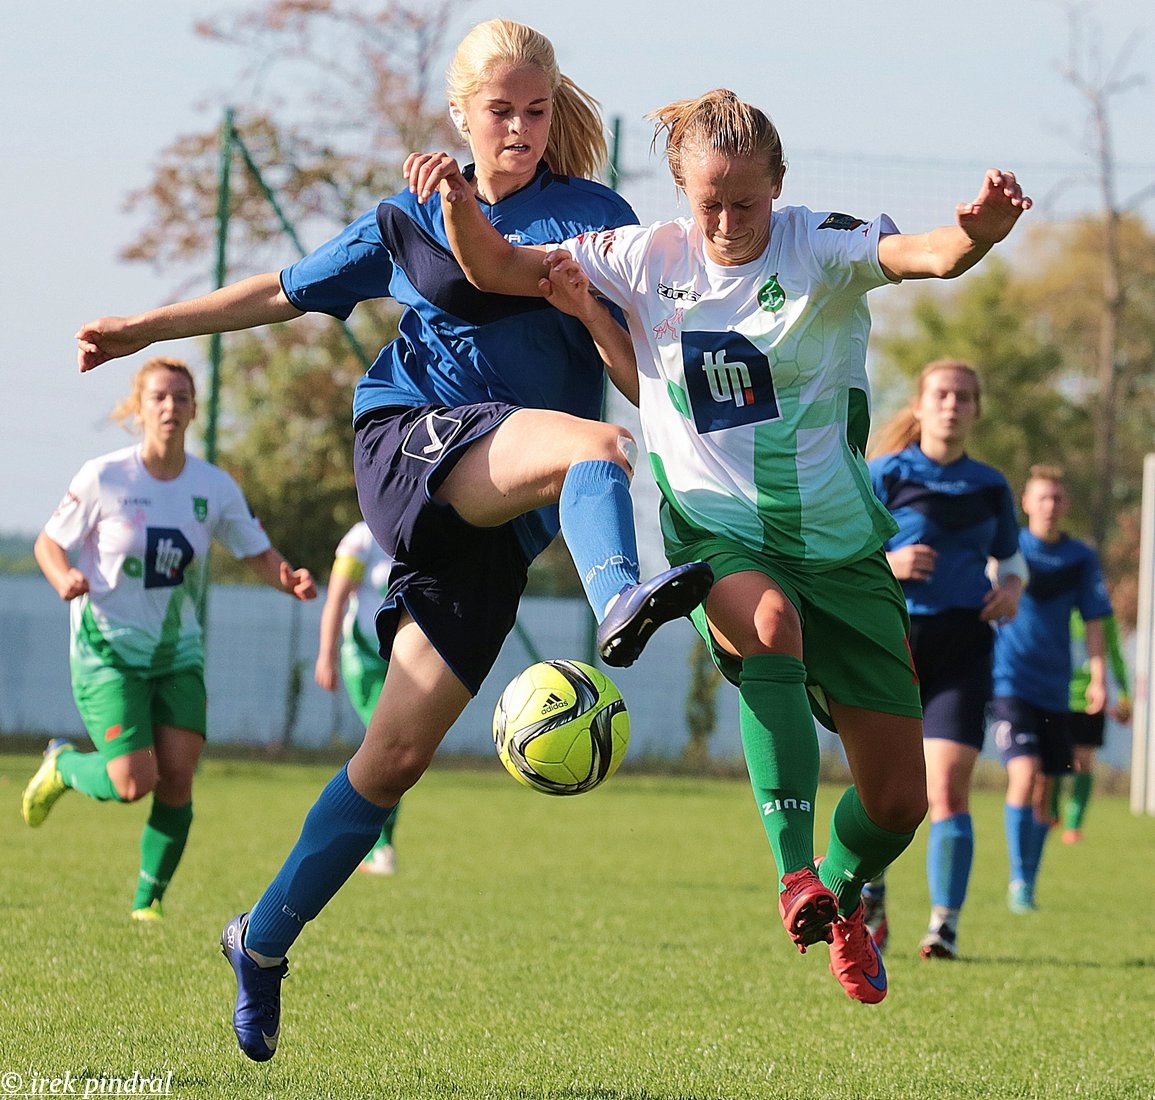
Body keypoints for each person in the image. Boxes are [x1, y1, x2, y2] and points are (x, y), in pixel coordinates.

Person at [75, 19, 711, 1061]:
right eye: (499, 110)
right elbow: (278, 289)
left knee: (395, 755)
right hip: (414, 440)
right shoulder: (409, 214)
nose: (519, 127)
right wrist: (142, 329)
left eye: (535, 110)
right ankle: (618, 603)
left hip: (502, 513)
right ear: (460, 113)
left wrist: (591, 312)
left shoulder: (597, 219)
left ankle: (259, 939)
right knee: (594, 447)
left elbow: (644, 383)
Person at [427, 87, 1031, 1002]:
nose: (726, 222)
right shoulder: (644, 257)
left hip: (841, 548)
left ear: (777, 186)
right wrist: (457, 207)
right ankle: (795, 873)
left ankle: (840, 897)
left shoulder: (818, 244)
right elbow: (498, 267)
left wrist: (974, 235)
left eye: (744, 203)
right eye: (709, 203)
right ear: (683, 192)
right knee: (769, 622)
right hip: (716, 526)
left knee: (898, 803)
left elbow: (927, 255)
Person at [20, 357, 317, 921]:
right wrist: (64, 578)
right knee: (133, 782)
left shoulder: (212, 486)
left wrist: (288, 579)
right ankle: (63, 767)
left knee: (177, 775)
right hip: (107, 651)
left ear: (194, 409)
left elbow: (255, 550)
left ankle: (147, 904)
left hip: (179, 653)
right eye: (158, 396)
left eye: (181, 397)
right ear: (138, 408)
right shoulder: (105, 477)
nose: (170, 407)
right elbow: (48, 544)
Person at [862, 360, 1025, 961]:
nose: (952, 405)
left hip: (963, 646)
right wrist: (890, 564)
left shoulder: (991, 486)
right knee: (884, 789)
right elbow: (840, 555)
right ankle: (872, 893)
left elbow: (1013, 562)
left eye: (964, 397)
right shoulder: (884, 474)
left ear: (976, 410)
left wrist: (1012, 590)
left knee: (947, 788)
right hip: (892, 641)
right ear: (920, 404)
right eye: (942, 395)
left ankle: (944, 927)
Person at [991, 464, 1112, 913]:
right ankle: (1017, 878)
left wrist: (1098, 677)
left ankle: (1028, 881)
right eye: (1042, 497)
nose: (1050, 505)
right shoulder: (1008, 548)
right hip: (1009, 681)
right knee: (1024, 773)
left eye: (1057, 497)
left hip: (1056, 688)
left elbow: (1096, 621)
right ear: (1026, 502)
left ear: (1067, 504)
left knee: (1047, 787)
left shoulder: (1080, 557)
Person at [314, 521, 398, 874]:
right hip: (365, 660)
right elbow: (336, 598)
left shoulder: (421, 531)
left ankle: (377, 846)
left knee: (397, 751)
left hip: (405, 661)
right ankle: (378, 846)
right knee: (391, 746)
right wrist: (326, 655)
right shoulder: (363, 538)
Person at [1054, 609, 1131, 844]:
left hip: (1091, 700)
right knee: (1054, 759)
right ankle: (1051, 813)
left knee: (1083, 762)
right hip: (1057, 696)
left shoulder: (1102, 615)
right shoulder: (1060, 608)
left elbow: (1115, 653)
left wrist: (1124, 693)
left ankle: (1073, 824)